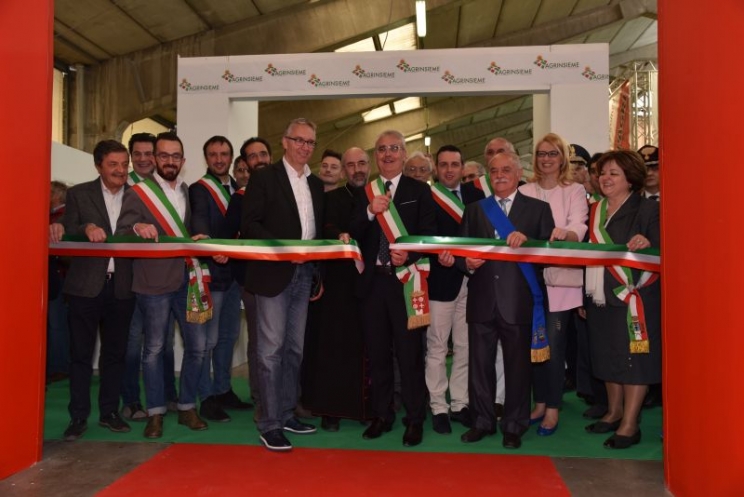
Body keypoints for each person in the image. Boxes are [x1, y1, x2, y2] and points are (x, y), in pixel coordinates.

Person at [117, 132, 226, 439]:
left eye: (175, 156)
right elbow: (121, 231)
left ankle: (187, 406)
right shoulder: (139, 193)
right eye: (163, 155)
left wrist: (205, 242)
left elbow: (189, 231)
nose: (169, 161)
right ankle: (155, 413)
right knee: (153, 349)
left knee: (197, 347)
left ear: (183, 160)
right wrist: (137, 226)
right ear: (155, 159)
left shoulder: (186, 190)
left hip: (187, 280)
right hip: (152, 282)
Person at [457, 151, 554, 449]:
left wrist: (529, 243)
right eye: (494, 170)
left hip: (518, 300)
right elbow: (461, 252)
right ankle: (482, 422)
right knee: (479, 366)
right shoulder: (474, 210)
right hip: (482, 300)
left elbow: (548, 254)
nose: (499, 175)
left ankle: (514, 425)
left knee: (518, 368)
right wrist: (466, 264)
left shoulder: (538, 209)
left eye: (506, 170)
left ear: (518, 173)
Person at [241, 118, 324, 452]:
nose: (305, 147)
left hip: (304, 275)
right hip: (272, 274)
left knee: (294, 350)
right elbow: (250, 225)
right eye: (299, 140)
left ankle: (287, 414)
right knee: (270, 352)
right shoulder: (264, 178)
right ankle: (269, 423)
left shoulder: (316, 184)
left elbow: (318, 233)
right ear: (285, 142)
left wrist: (317, 270)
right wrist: (282, 249)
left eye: (310, 142)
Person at [349, 130, 437, 447]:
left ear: (403, 153)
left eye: (394, 148)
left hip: (405, 281)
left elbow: (428, 233)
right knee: (377, 354)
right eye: (382, 149)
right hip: (373, 284)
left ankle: (414, 419)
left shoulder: (420, 190)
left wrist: (409, 254)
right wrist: (368, 212)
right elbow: (353, 231)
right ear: (376, 156)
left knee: (409, 354)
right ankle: (382, 414)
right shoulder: (365, 192)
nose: (388, 154)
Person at [50, 140, 136, 441]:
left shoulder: (137, 195)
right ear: (98, 165)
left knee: (115, 355)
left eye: (124, 164)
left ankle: (109, 412)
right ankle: (78, 416)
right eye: (113, 164)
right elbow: (67, 227)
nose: (120, 170)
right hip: (84, 288)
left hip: (122, 288)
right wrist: (81, 227)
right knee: (80, 356)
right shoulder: (78, 194)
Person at [584, 150, 660, 449]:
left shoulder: (647, 209)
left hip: (634, 296)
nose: (605, 178)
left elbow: (663, 248)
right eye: (603, 173)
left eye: (614, 173)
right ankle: (614, 411)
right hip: (600, 295)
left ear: (630, 179)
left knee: (633, 361)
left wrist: (648, 242)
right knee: (606, 355)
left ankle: (630, 423)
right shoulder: (595, 210)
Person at [518, 133, 589, 436]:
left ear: (562, 158)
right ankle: (540, 402)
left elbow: (579, 226)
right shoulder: (525, 190)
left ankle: (553, 408)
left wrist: (566, 235)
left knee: (555, 346)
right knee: (533, 345)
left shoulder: (574, 190)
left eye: (552, 154)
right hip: (528, 279)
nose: (546, 159)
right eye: (541, 154)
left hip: (561, 280)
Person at [301, 146, 372, 431]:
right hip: (338, 284)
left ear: (369, 166)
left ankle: (367, 407)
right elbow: (326, 229)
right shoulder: (332, 198)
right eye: (351, 165)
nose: (357, 169)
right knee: (333, 347)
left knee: (369, 346)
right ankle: (331, 409)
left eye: (362, 163)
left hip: (372, 282)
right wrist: (339, 235)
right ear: (344, 171)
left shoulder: (379, 196)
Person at [190, 135, 251, 422]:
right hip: (212, 273)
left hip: (235, 274)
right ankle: (206, 397)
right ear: (206, 158)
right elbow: (200, 224)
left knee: (229, 336)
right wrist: (214, 247)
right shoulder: (199, 189)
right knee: (209, 339)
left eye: (224, 154)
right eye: (213, 154)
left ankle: (223, 389)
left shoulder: (240, 189)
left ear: (231, 157)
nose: (219, 159)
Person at [120, 132, 179, 421]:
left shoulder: (173, 189)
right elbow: (121, 230)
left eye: (148, 153)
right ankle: (131, 400)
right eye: (138, 154)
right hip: (129, 279)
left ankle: (167, 395)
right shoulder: (127, 187)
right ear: (132, 157)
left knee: (164, 342)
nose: (143, 159)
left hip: (160, 280)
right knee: (134, 343)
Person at [426, 145, 484, 435]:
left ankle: (460, 402)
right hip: (441, 280)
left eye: (455, 164)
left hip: (473, 280)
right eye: (444, 164)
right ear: (436, 169)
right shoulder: (428, 197)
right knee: (437, 346)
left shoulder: (477, 196)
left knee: (465, 345)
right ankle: (438, 405)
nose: (449, 170)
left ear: (463, 167)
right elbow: (426, 236)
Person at [47, 181, 70, 384]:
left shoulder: (61, 217)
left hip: (58, 277)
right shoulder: (54, 216)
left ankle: (59, 366)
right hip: (58, 276)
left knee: (57, 324)